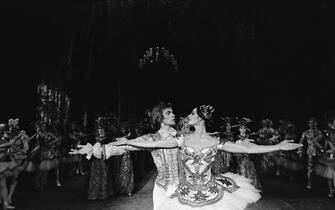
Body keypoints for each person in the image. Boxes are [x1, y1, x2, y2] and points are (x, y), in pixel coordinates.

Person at [108, 105, 302, 210]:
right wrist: (130, 141)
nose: (187, 116)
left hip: (211, 192)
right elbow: (153, 144)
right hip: (184, 192)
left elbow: (249, 149)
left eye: (192, 113)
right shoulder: (182, 139)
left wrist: (278, 146)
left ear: (200, 119)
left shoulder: (216, 142)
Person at [70, 102, 181, 210]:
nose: (173, 115)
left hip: (184, 189)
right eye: (168, 113)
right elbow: (122, 147)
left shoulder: (182, 136)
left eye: (172, 112)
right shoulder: (151, 138)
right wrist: (93, 149)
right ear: (159, 118)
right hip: (163, 190)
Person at [298, 118, 324, 189]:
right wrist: (300, 150)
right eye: (310, 123)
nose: (312, 124)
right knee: (310, 167)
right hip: (310, 151)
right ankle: (309, 182)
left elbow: (324, 141)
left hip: (319, 150)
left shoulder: (319, 132)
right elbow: (301, 143)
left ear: (316, 123)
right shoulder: (305, 132)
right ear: (308, 124)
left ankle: (321, 182)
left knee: (321, 166)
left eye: (313, 123)